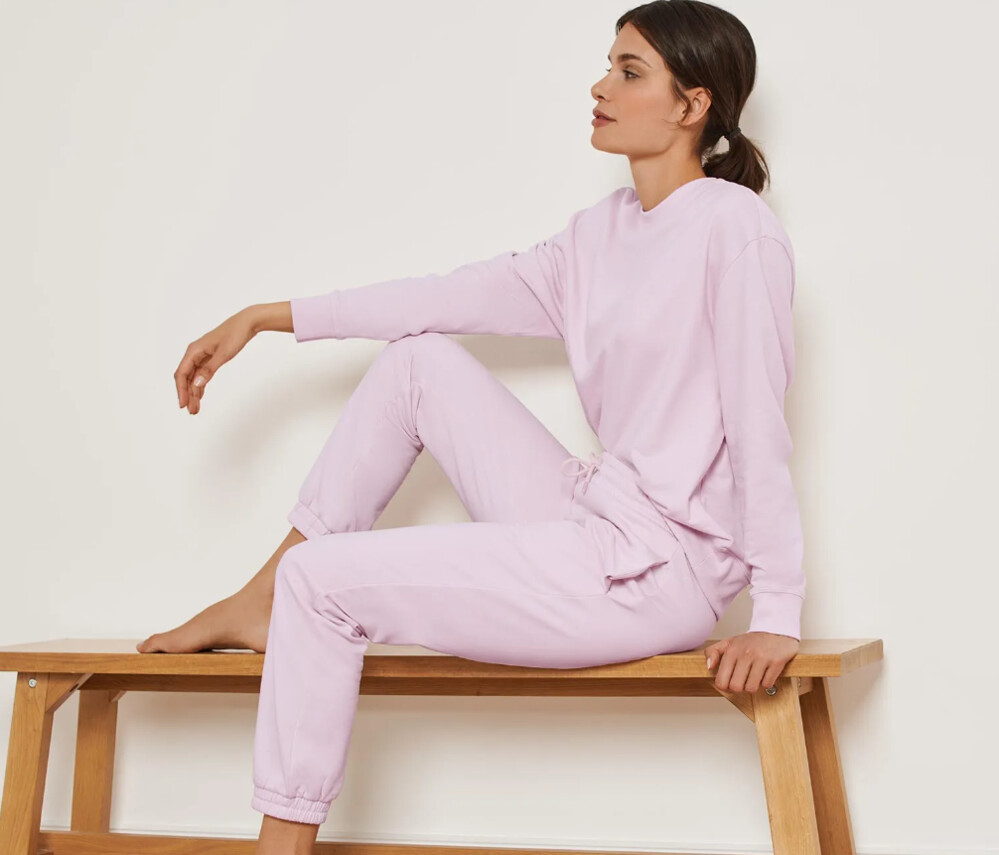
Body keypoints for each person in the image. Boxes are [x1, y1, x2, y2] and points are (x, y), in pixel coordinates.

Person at [139, 1, 805, 849]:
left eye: (629, 71)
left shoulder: (734, 228)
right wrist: (268, 317)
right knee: (418, 361)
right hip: (597, 520)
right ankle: (262, 597)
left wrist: (777, 608)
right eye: (608, 64)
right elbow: (439, 295)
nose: (600, 87)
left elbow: (758, 424)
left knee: (324, 583)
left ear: (692, 105)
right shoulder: (597, 237)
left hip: (659, 571)